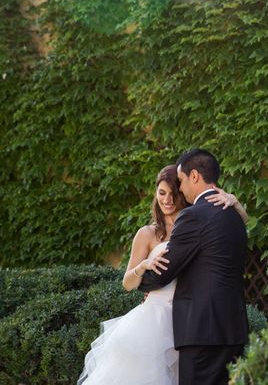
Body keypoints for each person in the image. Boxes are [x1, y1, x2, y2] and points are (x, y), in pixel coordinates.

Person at [78, 163, 248, 385]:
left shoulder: (198, 222)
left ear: (183, 193)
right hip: (154, 322)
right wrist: (144, 267)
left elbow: (228, 230)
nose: (167, 200)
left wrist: (235, 203)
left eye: (173, 194)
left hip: (189, 319)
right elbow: (127, 283)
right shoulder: (146, 234)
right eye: (161, 193)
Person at [137, 149, 249, 385]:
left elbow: (164, 271)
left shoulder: (193, 216)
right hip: (233, 328)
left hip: (202, 332)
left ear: (194, 176)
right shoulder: (235, 215)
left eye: (181, 180)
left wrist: (142, 280)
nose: (180, 188)